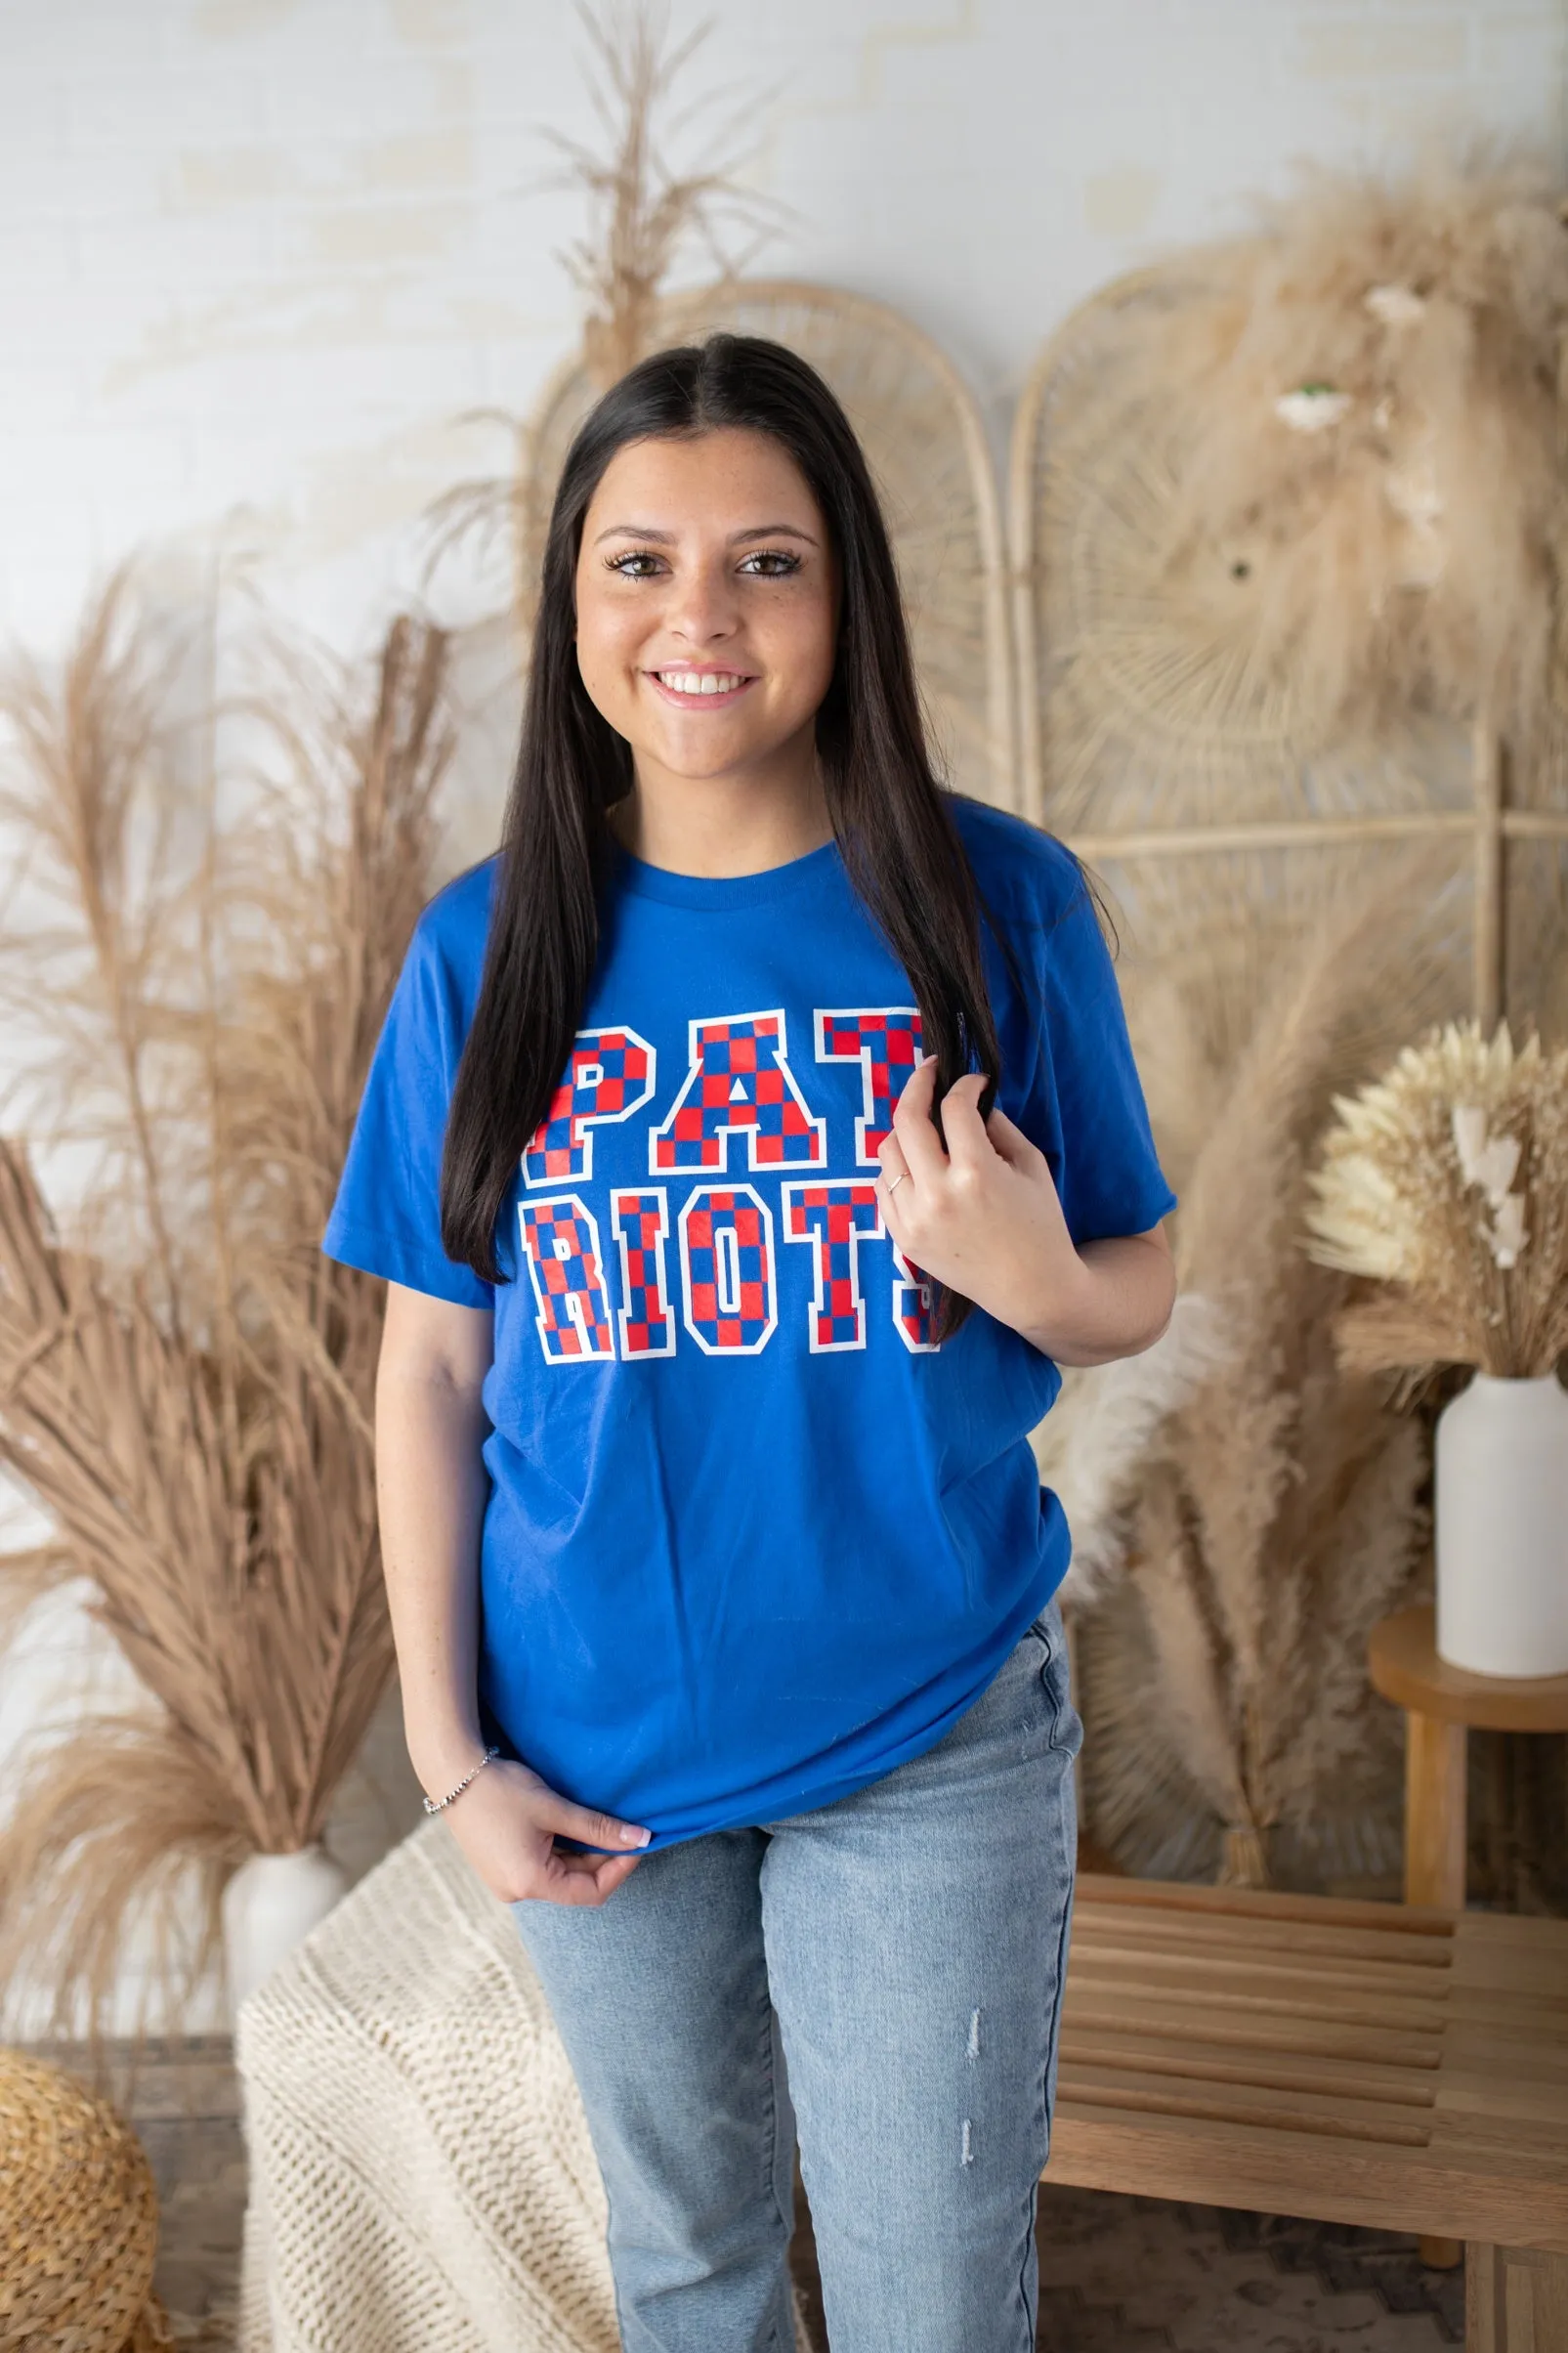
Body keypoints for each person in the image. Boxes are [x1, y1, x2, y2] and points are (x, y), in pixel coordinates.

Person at [324, 333, 1177, 2353]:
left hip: (928, 1734)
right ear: (573, 601)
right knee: (691, 2279)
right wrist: (452, 1762)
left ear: (844, 595)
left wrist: (1025, 1262)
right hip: (592, 1748)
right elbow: (430, 1377)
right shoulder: (485, 943)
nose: (695, 618)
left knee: (928, 2302)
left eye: (764, 562)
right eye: (638, 563)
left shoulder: (991, 905)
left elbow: (1131, 1277)